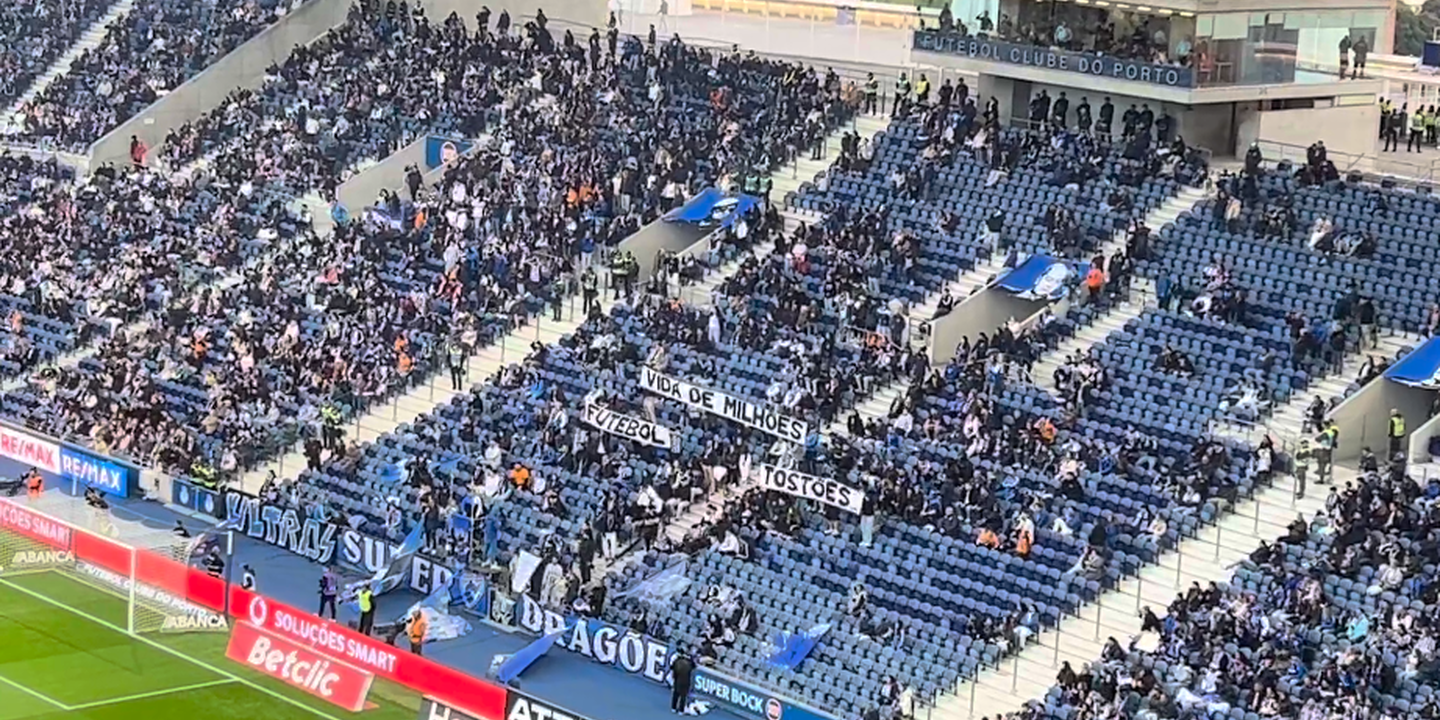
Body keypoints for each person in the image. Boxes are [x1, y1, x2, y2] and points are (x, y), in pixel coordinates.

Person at [670, 648, 695, 712]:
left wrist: (674, 677)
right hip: (686, 681)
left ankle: (673, 707)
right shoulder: (689, 664)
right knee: (683, 696)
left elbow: (672, 668)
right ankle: (681, 710)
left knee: (676, 694)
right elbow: (694, 666)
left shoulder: (677, 661)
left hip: (677, 679)